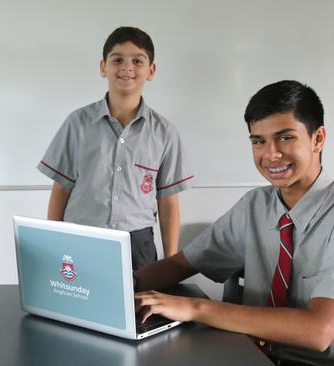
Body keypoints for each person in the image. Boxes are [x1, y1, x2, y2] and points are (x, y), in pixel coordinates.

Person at [135, 80, 334, 365]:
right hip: (247, 356)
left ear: (317, 139)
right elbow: (183, 263)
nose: (271, 154)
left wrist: (194, 308)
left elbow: (319, 331)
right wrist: (122, 286)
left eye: (285, 137)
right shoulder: (255, 205)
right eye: (258, 141)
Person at [37, 26, 193, 270]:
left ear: (151, 70)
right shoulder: (78, 123)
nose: (127, 67)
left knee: (137, 307)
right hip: (81, 237)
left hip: (137, 244)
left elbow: (168, 201)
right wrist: (54, 243)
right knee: (78, 303)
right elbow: (61, 189)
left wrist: (170, 262)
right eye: (117, 59)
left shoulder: (165, 132)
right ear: (103, 67)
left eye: (137, 61)